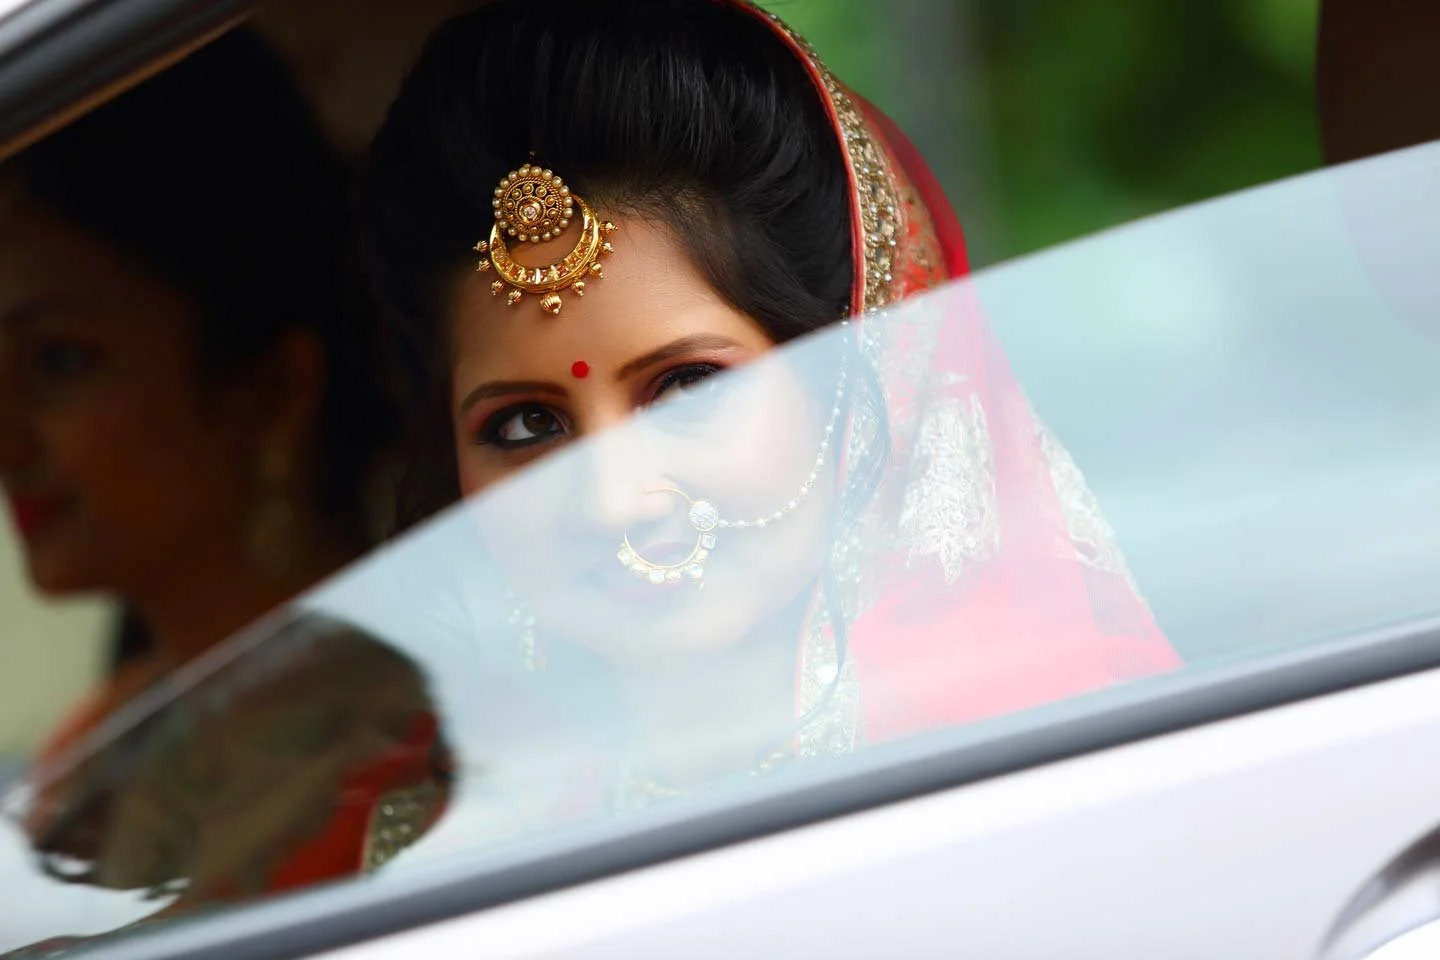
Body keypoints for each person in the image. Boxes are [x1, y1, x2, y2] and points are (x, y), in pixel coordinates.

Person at [360, 0, 1179, 805]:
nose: (613, 501)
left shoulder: (1039, 788)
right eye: (527, 424)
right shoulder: (447, 851)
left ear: (866, 380)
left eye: (686, 387)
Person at [0, 27, 448, 943]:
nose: (5, 438)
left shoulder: (423, 757)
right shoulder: (104, 733)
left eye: (58, 362)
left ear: (268, 390)